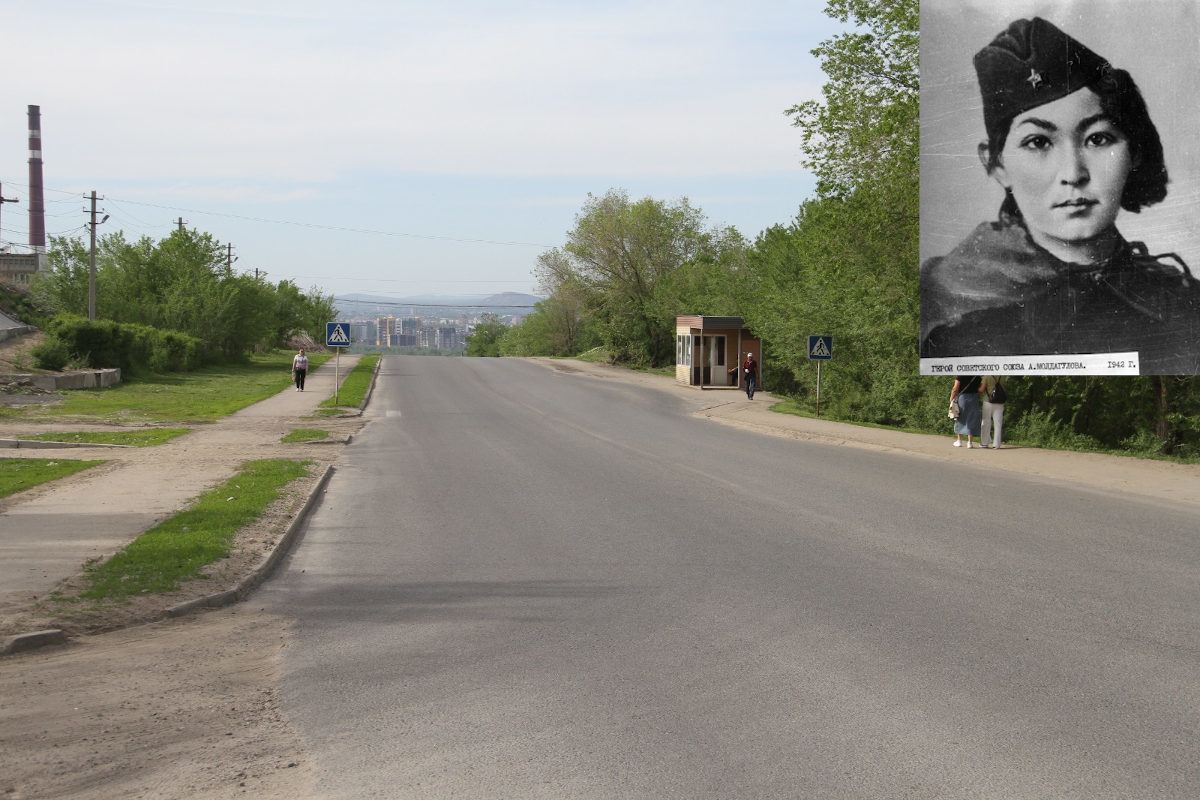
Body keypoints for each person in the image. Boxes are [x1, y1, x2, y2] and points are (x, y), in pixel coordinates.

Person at [919, 16, 1200, 373]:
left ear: (1135, 151)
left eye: (1098, 139)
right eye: (1038, 142)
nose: (1073, 174)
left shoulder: (1185, 300)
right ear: (996, 164)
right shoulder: (946, 309)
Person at [950, 375, 983, 448]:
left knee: (960, 418)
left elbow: (955, 388)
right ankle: (970, 443)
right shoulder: (977, 377)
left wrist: (951, 399)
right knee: (972, 418)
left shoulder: (961, 376)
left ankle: (959, 441)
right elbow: (980, 390)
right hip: (974, 399)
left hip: (963, 398)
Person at [980, 374, 1006, 449]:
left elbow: (981, 389)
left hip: (988, 401)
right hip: (1000, 402)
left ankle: (985, 443)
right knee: (998, 423)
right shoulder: (1003, 376)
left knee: (986, 422)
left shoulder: (987, 376)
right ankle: (996, 444)